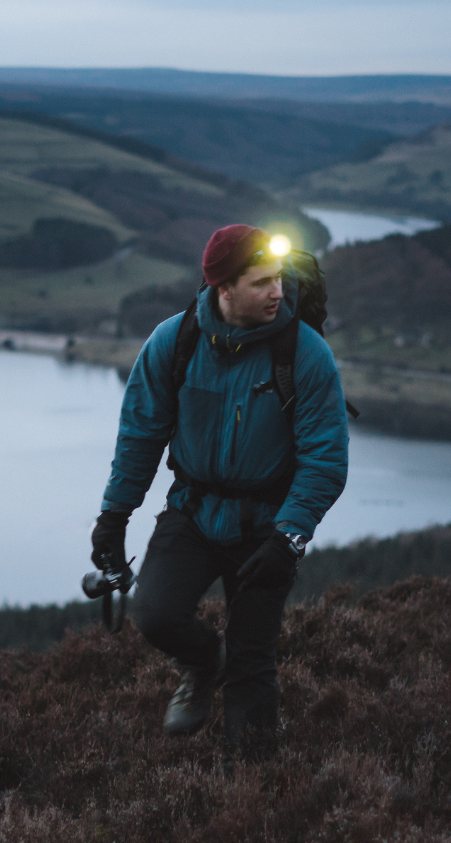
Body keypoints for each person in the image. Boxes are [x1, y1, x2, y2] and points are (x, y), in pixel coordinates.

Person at [91, 223, 349, 756]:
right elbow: (140, 432)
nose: (278, 292)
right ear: (223, 290)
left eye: (279, 279)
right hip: (192, 510)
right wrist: (114, 516)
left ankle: (249, 794)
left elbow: (325, 459)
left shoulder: (305, 353)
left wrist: (289, 539)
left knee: (254, 663)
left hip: (266, 525)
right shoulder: (175, 341)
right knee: (157, 616)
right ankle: (206, 661)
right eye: (261, 283)